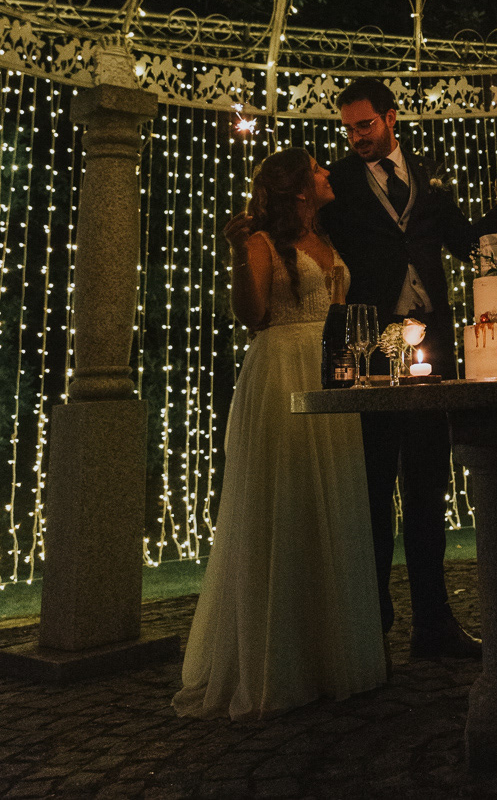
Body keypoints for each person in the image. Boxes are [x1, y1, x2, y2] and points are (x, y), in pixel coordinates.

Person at [318, 77, 497, 659]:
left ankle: (433, 622)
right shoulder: (337, 183)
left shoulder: (427, 174)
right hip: (369, 348)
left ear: (392, 117)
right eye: (348, 128)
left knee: (427, 484)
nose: (356, 136)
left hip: (432, 346)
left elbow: (464, 243)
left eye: (365, 124)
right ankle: (372, 625)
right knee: (371, 487)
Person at [173, 148, 385, 720]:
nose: (327, 173)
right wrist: (238, 256)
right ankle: (278, 663)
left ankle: (330, 654)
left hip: (329, 371)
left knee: (331, 504)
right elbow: (252, 315)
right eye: (316, 169)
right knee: (284, 502)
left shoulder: (327, 237)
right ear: (298, 188)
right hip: (281, 369)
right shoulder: (263, 243)